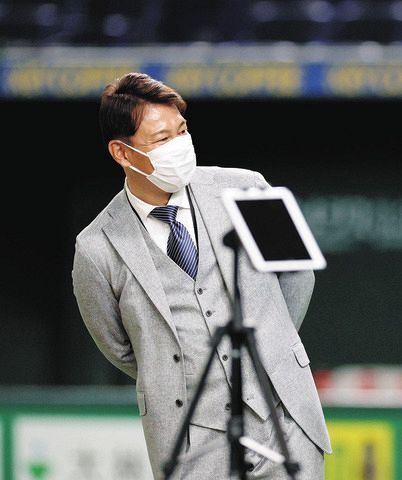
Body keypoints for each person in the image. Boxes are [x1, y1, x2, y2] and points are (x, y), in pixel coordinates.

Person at [71, 72, 331, 480]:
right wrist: (174, 370)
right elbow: (120, 347)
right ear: (121, 153)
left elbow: (297, 272)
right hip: (189, 441)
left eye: (182, 130)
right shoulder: (95, 247)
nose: (179, 146)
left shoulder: (248, 188)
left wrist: (268, 347)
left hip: (284, 420)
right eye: (161, 139)